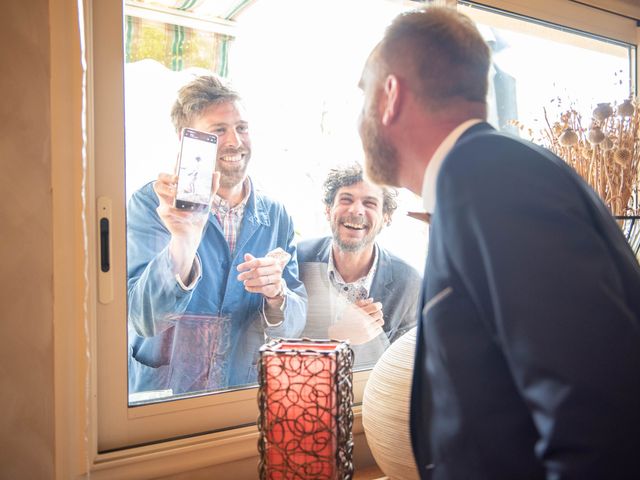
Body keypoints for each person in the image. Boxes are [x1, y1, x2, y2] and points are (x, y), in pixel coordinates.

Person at [357, 6, 640, 479]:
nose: (359, 115)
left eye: (362, 94)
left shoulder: (488, 177)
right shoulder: (486, 175)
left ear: (390, 95)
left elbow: (595, 417)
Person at [127, 75, 307, 396]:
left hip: (237, 397)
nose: (235, 141)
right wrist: (182, 244)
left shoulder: (277, 214)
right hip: (165, 399)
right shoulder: (152, 205)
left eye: (241, 127)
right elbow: (144, 319)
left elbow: (294, 322)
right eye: (218, 131)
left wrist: (277, 294)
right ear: (187, 139)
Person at [297, 164, 420, 368]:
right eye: (346, 199)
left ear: (386, 218)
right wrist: (335, 336)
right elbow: (275, 345)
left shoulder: (409, 282)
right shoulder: (299, 260)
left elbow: (407, 366)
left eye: (370, 203)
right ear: (328, 210)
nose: (356, 210)